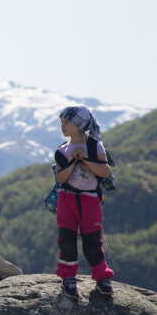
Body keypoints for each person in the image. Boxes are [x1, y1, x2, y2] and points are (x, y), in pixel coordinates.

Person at [54, 105, 114, 299]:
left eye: (67, 122)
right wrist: (72, 162)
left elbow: (105, 171)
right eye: (61, 122)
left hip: (89, 200)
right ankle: (68, 278)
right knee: (66, 239)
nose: (62, 126)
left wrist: (86, 159)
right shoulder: (62, 150)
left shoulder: (95, 146)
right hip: (67, 199)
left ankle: (102, 278)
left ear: (79, 125)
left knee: (92, 241)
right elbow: (61, 178)